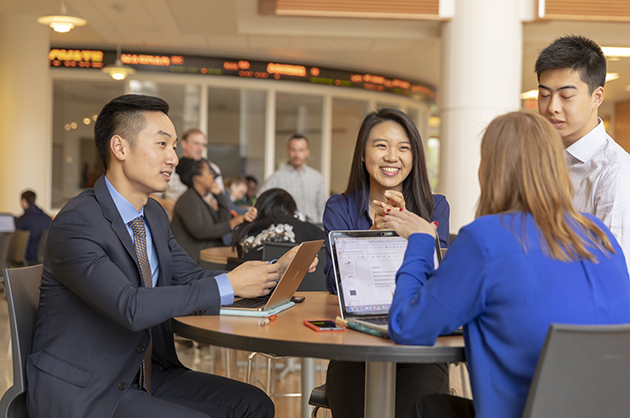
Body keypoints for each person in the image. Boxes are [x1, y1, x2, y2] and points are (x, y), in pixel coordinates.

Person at [26, 94, 315, 418]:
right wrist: (230, 284)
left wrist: (276, 270)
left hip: (148, 374)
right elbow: (130, 306)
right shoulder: (78, 221)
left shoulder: (153, 215)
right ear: (120, 148)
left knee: (255, 404)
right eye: (162, 144)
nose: (174, 159)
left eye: (174, 146)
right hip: (89, 389)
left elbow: (193, 278)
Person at [383, 111, 630, 418]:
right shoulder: (599, 234)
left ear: (491, 170)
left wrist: (421, 239)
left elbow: (407, 326)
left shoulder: (484, 239)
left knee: (432, 406)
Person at [323, 108, 451, 418]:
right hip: (355, 343)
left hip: (420, 346)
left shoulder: (435, 206)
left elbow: (442, 282)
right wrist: (371, 235)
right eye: (381, 145)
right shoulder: (340, 207)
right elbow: (332, 283)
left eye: (403, 147)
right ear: (363, 155)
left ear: (415, 156)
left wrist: (412, 233)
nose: (392, 156)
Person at [536, 35, 630, 272]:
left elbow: (614, 270)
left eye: (566, 96)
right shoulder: (539, 158)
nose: (552, 107)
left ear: (597, 97)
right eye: (545, 95)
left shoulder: (615, 172)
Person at [171, 158, 256, 265]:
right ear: (198, 178)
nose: (213, 176)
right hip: (195, 261)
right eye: (209, 173)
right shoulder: (189, 199)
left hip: (206, 257)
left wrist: (218, 194)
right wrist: (232, 224)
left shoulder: (200, 198)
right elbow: (199, 231)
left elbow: (221, 220)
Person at [231, 188, 325, 260]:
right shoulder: (310, 230)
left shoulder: (248, 230)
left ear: (259, 208)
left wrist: (246, 220)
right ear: (292, 210)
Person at [152, 128, 224, 214]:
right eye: (196, 143)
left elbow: (221, 199)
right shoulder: (169, 167)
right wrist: (166, 204)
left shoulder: (213, 170)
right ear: (184, 144)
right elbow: (151, 196)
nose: (200, 148)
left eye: (203, 145)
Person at [258, 133, 326, 223]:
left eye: (301, 150)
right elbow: (262, 201)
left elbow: (323, 206)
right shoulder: (276, 178)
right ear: (288, 151)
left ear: (307, 152)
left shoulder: (317, 177)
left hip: (314, 231)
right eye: (293, 150)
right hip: (288, 231)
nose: (297, 154)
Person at [15, 189, 52, 265]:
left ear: (23, 201)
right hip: (45, 259)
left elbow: (16, 242)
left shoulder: (23, 219)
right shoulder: (47, 218)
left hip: (29, 258)